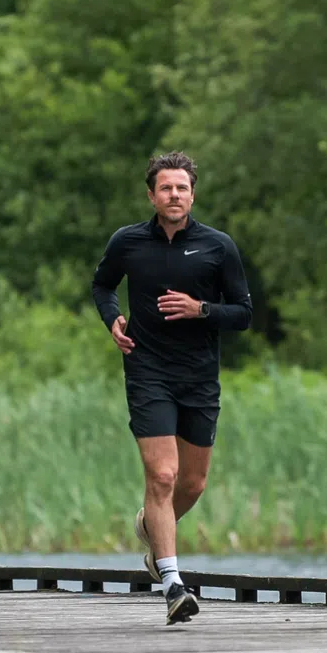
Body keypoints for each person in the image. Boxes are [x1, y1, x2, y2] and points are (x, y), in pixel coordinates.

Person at [91, 150, 252, 624]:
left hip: (199, 377)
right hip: (147, 371)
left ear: (192, 193)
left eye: (181, 187)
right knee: (161, 476)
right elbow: (102, 286)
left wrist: (200, 309)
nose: (174, 195)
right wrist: (112, 320)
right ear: (151, 195)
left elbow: (243, 313)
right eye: (165, 188)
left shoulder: (218, 247)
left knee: (193, 482)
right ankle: (173, 585)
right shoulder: (128, 242)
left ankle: (148, 529)